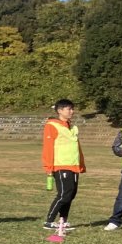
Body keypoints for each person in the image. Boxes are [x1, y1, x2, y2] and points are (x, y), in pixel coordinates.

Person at [42, 98, 85, 231]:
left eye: (72, 108)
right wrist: (49, 168)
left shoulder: (72, 127)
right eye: (69, 109)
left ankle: (63, 221)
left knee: (71, 195)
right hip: (61, 166)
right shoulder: (52, 125)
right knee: (63, 195)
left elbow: (77, 148)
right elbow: (48, 148)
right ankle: (49, 221)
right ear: (60, 111)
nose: (72, 111)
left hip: (74, 166)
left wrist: (81, 165)